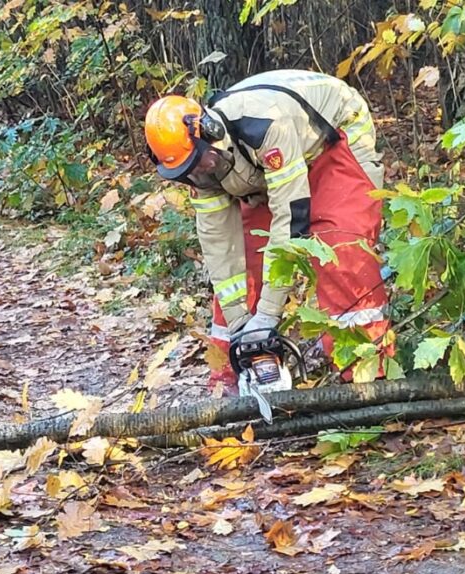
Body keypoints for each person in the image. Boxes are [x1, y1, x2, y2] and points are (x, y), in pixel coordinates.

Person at [143, 69, 391, 394]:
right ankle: (228, 381)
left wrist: (267, 317)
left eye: (202, 164)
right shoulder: (200, 171)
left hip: (332, 140)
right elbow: (220, 248)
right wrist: (242, 329)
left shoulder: (265, 126)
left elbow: (291, 219)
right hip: (261, 168)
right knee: (248, 257)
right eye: (189, 172)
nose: (201, 175)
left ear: (211, 133)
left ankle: (366, 376)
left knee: (341, 248)